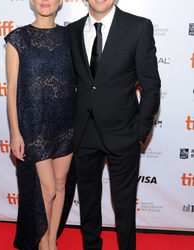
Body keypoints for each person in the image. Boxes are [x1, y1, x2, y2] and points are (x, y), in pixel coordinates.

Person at [67, 0, 161, 249]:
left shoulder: (138, 27)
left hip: (123, 132)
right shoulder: (72, 31)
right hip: (84, 132)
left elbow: (151, 86)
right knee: (87, 200)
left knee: (125, 205)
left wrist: (140, 132)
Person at [4, 0, 76, 249]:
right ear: (31, 1)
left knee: (60, 185)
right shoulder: (18, 38)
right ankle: (43, 242)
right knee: (47, 190)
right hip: (34, 126)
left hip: (66, 123)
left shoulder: (71, 36)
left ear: (61, 1)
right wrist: (15, 132)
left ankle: (52, 241)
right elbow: (12, 90)